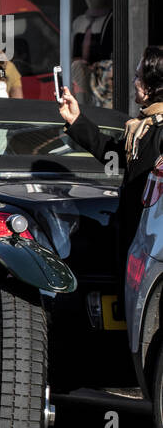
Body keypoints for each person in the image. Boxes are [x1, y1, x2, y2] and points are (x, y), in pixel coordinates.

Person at [59, 45, 163, 288]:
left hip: (153, 247)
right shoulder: (144, 127)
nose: (134, 81)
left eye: (139, 76)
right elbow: (114, 156)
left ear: (151, 86)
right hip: (138, 244)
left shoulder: (156, 129)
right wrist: (76, 120)